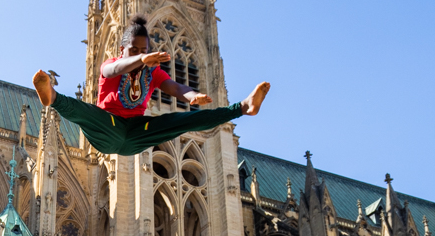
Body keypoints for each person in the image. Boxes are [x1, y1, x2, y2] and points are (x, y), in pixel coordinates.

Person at [32, 13, 269, 157]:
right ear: (121, 50)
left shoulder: (152, 72)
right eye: (133, 50)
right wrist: (139, 59)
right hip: (109, 127)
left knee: (183, 120)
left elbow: (174, 88)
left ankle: (244, 107)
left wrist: (192, 95)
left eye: (143, 51)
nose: (140, 55)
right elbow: (111, 70)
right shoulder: (112, 64)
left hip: (136, 132)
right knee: (83, 111)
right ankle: (52, 97)